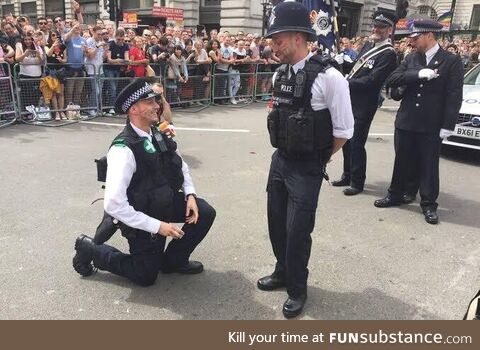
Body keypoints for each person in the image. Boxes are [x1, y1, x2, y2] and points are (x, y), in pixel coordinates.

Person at [258, 1, 354, 318]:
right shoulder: (280, 74)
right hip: (280, 161)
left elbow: (343, 130)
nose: (272, 45)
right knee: (276, 224)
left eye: (278, 39)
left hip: (307, 166)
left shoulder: (330, 78)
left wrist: (319, 159)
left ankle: (297, 289)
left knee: (298, 231)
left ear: (299, 37)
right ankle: (282, 271)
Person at [72, 79, 216, 285]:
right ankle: (91, 250)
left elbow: (179, 163)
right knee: (145, 275)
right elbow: (113, 204)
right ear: (134, 109)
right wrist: (158, 227)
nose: (157, 106)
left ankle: (172, 262)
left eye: (156, 101)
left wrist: (190, 194)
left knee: (204, 212)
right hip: (140, 215)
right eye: (149, 102)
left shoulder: (155, 133)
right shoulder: (123, 149)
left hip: (162, 202)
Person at [374, 20, 464, 225]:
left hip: (431, 124)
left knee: (428, 166)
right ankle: (395, 194)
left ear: (429, 36)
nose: (412, 42)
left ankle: (429, 204)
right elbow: (392, 79)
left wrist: (448, 124)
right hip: (406, 121)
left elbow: (453, 95)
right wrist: (417, 74)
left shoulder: (450, 61)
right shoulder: (412, 59)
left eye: (416, 38)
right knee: (401, 161)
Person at [331, 10, 397, 196]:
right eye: (375, 25)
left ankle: (357, 181)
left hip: (364, 104)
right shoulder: (368, 45)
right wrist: (342, 63)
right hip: (349, 99)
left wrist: (346, 82)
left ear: (389, 30)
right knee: (345, 140)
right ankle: (347, 174)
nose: (377, 29)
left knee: (357, 143)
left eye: (381, 27)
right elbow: (356, 70)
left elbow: (373, 81)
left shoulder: (388, 54)